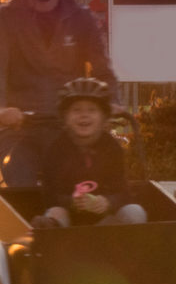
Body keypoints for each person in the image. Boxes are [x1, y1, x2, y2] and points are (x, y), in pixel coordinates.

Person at [0, 0, 117, 189]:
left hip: (70, 128)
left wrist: (113, 102)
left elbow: (102, 68)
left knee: (86, 188)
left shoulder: (82, 17)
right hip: (21, 129)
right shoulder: (5, 18)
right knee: (22, 189)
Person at [30, 77, 146, 230]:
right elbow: (49, 195)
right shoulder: (56, 149)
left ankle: (129, 249)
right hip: (69, 220)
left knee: (135, 211)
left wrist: (108, 202)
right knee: (55, 212)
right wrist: (72, 202)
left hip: (107, 220)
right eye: (76, 110)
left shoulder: (111, 147)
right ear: (66, 117)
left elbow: (124, 192)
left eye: (92, 110)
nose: (84, 115)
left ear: (103, 117)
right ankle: (51, 238)